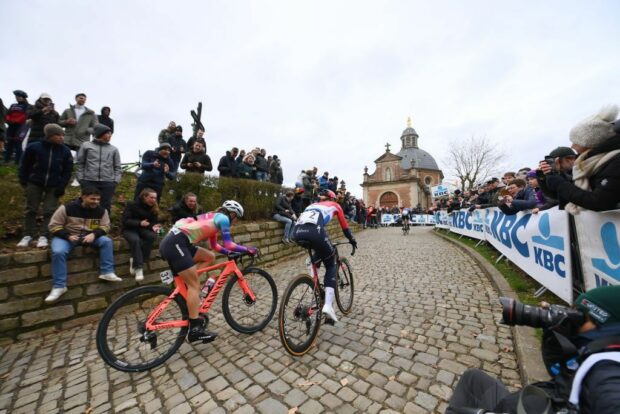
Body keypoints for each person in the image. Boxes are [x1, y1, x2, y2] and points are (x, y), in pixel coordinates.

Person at [446, 285, 620, 414]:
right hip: (526, 402)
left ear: (608, 328)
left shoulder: (606, 368)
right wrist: (555, 336)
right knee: (473, 378)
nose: (573, 323)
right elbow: (561, 373)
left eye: (583, 318)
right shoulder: (593, 352)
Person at [158, 200, 257, 343]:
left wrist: (228, 253)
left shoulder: (214, 217)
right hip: (177, 243)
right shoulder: (223, 219)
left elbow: (215, 246)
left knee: (209, 256)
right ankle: (195, 329)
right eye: (237, 218)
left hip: (178, 242)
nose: (235, 222)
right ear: (233, 214)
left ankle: (190, 284)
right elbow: (229, 243)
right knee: (194, 286)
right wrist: (248, 249)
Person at [291, 189, 357, 323]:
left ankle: (314, 286)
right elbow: (345, 227)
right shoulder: (336, 205)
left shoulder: (311, 206)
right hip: (315, 232)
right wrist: (352, 239)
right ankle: (327, 305)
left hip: (297, 233)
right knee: (331, 263)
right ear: (332, 199)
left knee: (315, 258)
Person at [45, 187, 121, 302]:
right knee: (58, 252)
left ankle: (107, 272)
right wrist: (67, 236)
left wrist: (94, 235)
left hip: (89, 237)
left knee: (107, 241)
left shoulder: (102, 211)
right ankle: (59, 286)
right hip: (67, 237)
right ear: (83, 197)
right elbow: (53, 225)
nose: (96, 202)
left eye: (98, 199)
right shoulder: (66, 208)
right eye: (92, 199)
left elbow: (106, 226)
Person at [543, 105, 620, 214]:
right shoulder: (587, 164)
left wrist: (560, 184)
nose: (572, 146)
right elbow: (567, 196)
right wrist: (549, 178)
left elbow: (600, 202)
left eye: (576, 141)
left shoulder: (615, 161)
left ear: (591, 142)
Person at [18, 124, 73, 248]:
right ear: (49, 135)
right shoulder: (33, 147)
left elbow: (67, 170)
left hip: (54, 185)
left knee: (49, 211)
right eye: (58, 135)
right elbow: (24, 165)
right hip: (34, 183)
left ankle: (44, 236)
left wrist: (62, 186)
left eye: (62, 135)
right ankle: (27, 235)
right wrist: (24, 181)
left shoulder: (65, 150)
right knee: (31, 209)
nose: (61, 138)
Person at [75, 124, 121, 213]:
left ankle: (104, 226)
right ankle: (84, 225)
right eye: (108, 133)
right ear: (101, 133)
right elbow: (80, 163)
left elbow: (117, 167)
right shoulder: (86, 145)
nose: (110, 135)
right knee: (87, 203)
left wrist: (115, 181)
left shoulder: (113, 149)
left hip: (108, 182)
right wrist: (81, 179)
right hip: (89, 180)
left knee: (105, 206)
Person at [122, 188, 162, 282]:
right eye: (151, 198)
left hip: (144, 230)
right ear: (144, 197)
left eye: (155, 198)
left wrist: (155, 227)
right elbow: (125, 221)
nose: (154, 200)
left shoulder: (153, 208)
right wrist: (139, 223)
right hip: (130, 229)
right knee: (136, 240)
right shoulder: (132, 205)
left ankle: (137, 261)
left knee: (151, 236)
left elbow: (153, 223)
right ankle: (139, 268)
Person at [4, 90, 31, 164]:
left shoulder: (27, 106)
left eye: (19, 96)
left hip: (21, 126)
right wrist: (8, 120)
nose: (17, 98)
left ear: (23, 97)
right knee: (9, 142)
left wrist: (16, 120)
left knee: (18, 143)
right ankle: (6, 160)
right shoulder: (13, 105)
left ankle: (18, 161)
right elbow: (8, 114)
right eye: (16, 96)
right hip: (11, 126)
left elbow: (26, 115)